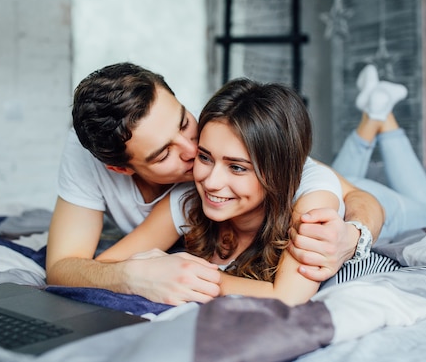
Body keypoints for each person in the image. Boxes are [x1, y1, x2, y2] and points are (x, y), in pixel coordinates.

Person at [46, 62, 384, 305]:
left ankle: (378, 119)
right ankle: (376, 116)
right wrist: (139, 276)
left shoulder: (305, 182)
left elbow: (353, 195)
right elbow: (75, 267)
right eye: (165, 153)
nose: (195, 156)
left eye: (184, 123)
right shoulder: (187, 195)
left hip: (385, 205)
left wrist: (355, 233)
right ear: (120, 169)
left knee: (414, 200)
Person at [97, 78, 345, 306]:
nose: (211, 182)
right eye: (204, 157)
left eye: (237, 167)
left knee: (354, 173)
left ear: (278, 171)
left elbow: (288, 297)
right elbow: (105, 266)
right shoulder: (188, 198)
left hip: (356, 192)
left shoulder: (313, 199)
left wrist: (184, 275)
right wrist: (143, 275)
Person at [331, 64, 426, 239]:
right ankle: (378, 112)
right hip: (349, 197)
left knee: (335, 183)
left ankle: (377, 111)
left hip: (339, 193)